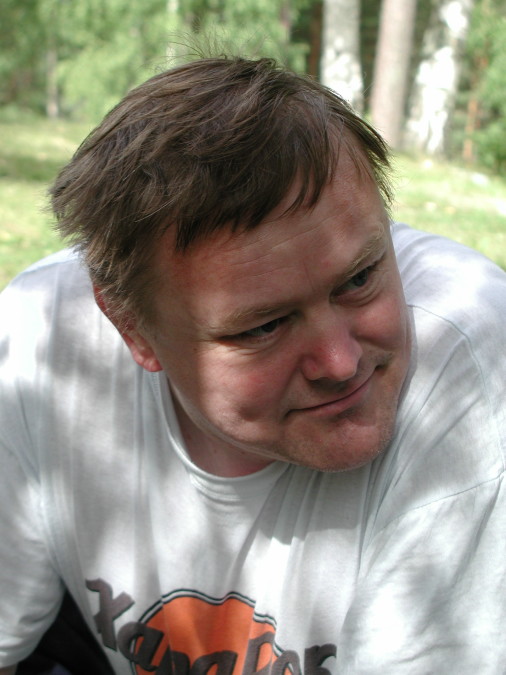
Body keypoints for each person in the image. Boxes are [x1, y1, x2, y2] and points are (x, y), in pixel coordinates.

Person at [0, 55, 505, 675]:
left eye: (359, 278)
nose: (341, 362)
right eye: (263, 327)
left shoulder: (467, 350)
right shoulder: (42, 335)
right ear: (132, 328)